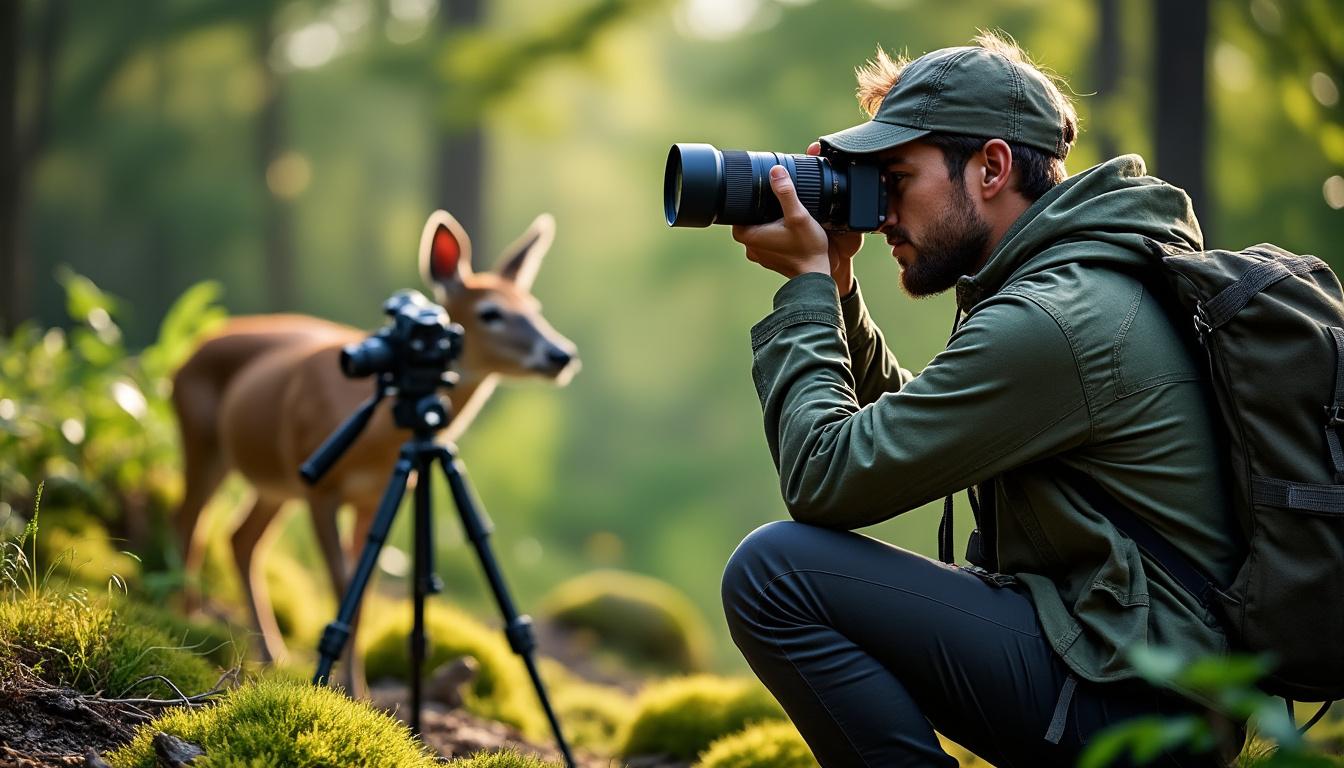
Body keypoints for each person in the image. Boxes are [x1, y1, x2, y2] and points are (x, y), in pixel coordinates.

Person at [720, 32, 1247, 768]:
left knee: (775, 573)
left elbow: (824, 478)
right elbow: (917, 431)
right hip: (1133, 681)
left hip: (1132, 707)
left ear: (992, 167)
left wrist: (804, 289)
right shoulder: (1081, 281)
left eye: (896, 178)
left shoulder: (1056, 318)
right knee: (789, 570)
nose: (880, 213)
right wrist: (838, 287)